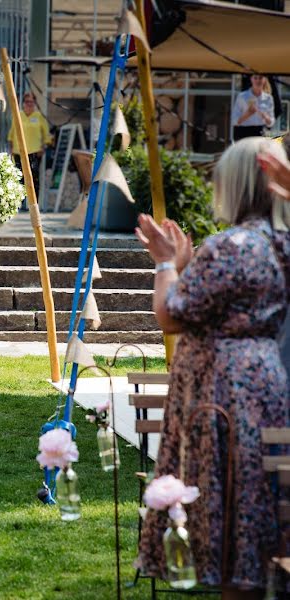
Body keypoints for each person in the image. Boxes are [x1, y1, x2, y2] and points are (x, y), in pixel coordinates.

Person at [134, 137, 290, 598]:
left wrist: (166, 264)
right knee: (255, 498)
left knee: (226, 500)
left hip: (223, 387)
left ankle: (233, 582)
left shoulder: (233, 245)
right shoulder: (279, 242)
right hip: (265, 378)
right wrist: (187, 265)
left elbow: (172, 313)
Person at [7, 92, 52, 197]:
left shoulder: (39, 116)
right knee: (19, 178)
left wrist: (44, 147)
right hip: (19, 152)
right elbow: (11, 134)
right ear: (23, 103)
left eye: (32, 102)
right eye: (27, 101)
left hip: (35, 152)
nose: (29, 104)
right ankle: (20, 203)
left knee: (34, 178)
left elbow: (47, 135)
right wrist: (11, 149)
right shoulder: (18, 115)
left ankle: (34, 204)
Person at [232, 74, 275, 141]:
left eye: (260, 78)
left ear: (264, 80)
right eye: (255, 78)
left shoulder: (268, 98)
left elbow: (271, 122)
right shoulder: (242, 96)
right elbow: (234, 121)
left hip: (261, 133)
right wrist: (248, 114)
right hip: (244, 133)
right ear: (251, 79)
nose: (258, 80)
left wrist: (266, 117)